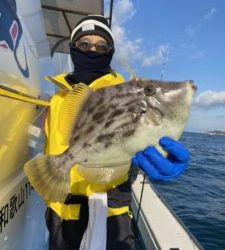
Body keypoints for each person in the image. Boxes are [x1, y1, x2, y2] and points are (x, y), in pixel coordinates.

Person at [44, 15, 189, 250]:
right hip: (60, 211)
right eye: (84, 45)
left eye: (101, 46)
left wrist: (159, 156)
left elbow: (132, 140)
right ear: (73, 49)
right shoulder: (57, 98)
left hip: (110, 210)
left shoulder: (126, 93)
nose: (93, 50)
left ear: (109, 53)